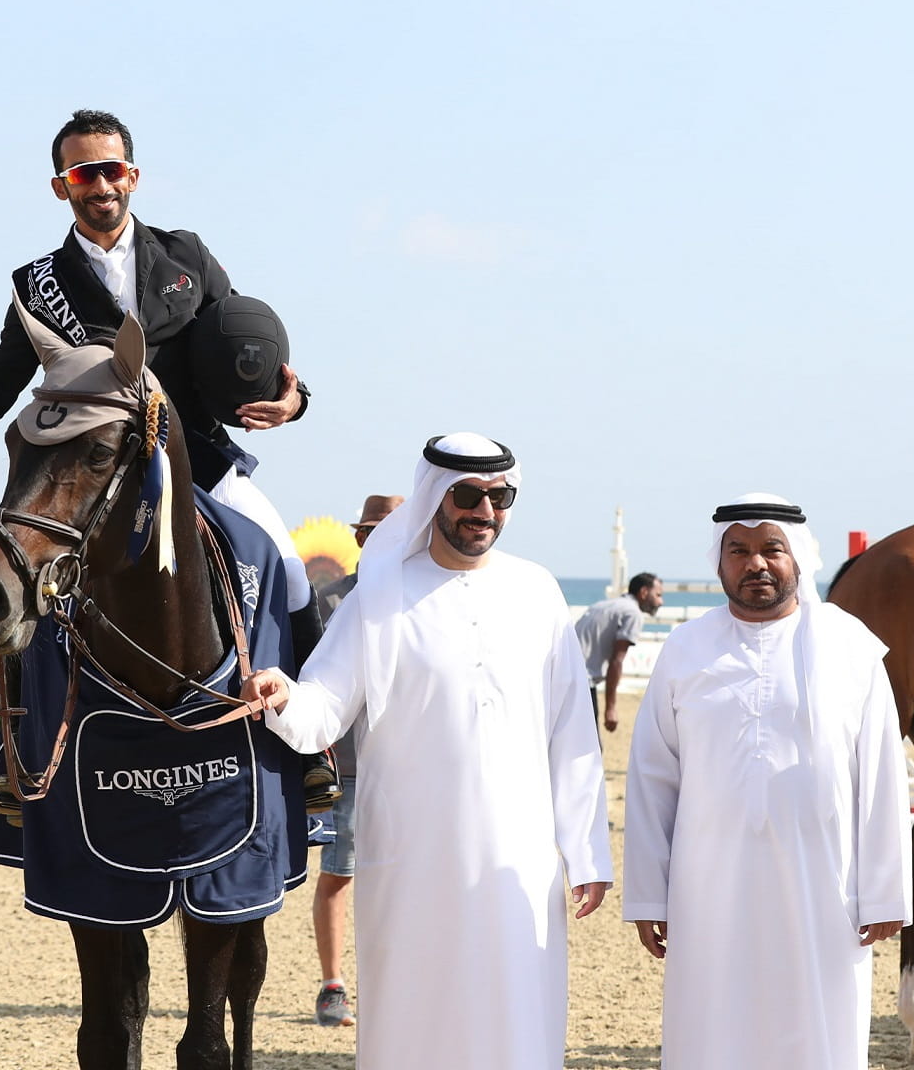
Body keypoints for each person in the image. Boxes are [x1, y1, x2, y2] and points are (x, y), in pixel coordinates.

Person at [0, 108, 316, 620]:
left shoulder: (188, 254)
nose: (100, 185)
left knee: (292, 577)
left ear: (132, 177)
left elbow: (243, 349)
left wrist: (292, 401)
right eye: (83, 175)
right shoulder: (36, 287)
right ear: (61, 187)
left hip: (198, 462)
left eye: (111, 170)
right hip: (92, 482)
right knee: (27, 595)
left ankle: (309, 677)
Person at [242, 433, 611, 1069]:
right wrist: (281, 694)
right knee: (415, 1013)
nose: (485, 511)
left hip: (520, 855)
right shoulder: (379, 595)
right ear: (433, 498)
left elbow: (572, 729)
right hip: (411, 856)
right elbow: (322, 707)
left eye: (500, 497)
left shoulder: (538, 590)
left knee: (517, 1009)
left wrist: (587, 850)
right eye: (467, 496)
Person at [622, 494, 910, 1069]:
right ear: (719, 561)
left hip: (825, 884)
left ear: (797, 556)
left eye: (771, 549)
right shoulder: (685, 649)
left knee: (819, 1030)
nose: (756, 563)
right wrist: (649, 893)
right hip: (708, 887)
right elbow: (653, 776)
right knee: (712, 1030)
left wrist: (885, 892)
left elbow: (883, 775)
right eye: (739, 551)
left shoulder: (850, 646)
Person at [308, 491, 401, 1028]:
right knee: (339, 874)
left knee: (407, 879)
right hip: (345, 767)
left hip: (410, 768)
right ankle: (333, 985)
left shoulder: (423, 595)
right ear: (361, 537)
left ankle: (394, 985)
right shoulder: (328, 601)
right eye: (379, 530)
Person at [574, 572, 663, 733]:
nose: (660, 602)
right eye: (658, 595)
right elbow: (616, 661)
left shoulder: (604, 605)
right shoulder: (633, 613)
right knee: (589, 744)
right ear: (644, 592)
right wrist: (610, 708)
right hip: (582, 682)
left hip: (566, 675)